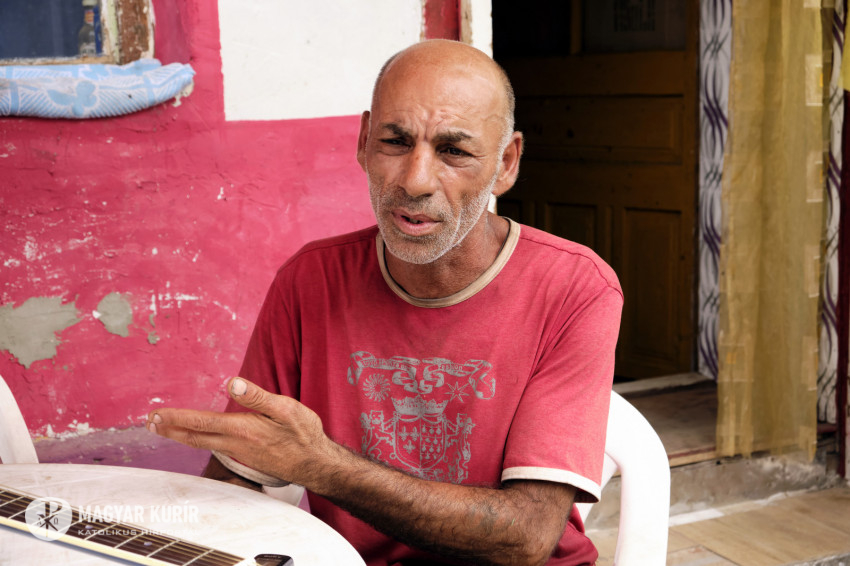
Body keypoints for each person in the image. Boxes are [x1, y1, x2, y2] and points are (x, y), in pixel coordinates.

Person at [147, 39, 623, 566]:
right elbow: (242, 477)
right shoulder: (310, 280)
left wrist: (322, 466)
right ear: (364, 141)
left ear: (506, 163)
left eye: (454, 151)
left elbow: (526, 537)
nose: (415, 180)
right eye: (395, 142)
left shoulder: (574, 288)